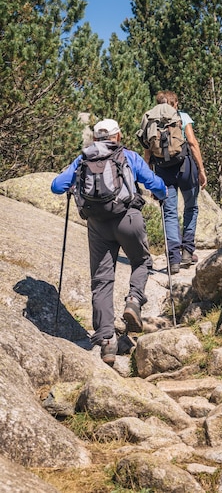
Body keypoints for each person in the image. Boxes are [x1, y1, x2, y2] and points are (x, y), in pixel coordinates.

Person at [51, 118, 167, 366]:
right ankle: (134, 301)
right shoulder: (129, 156)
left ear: (95, 139)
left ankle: (106, 342)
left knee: (102, 281)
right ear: (118, 136)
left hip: (97, 225)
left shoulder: (83, 159)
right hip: (128, 219)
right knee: (142, 261)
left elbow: (57, 186)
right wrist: (162, 193)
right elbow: (154, 184)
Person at [143, 91, 207, 274]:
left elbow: (147, 156)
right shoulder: (182, 117)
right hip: (185, 167)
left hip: (163, 171)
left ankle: (174, 259)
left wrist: (151, 182)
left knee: (169, 212)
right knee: (191, 207)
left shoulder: (150, 121)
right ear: (175, 104)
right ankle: (187, 250)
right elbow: (193, 143)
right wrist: (201, 170)